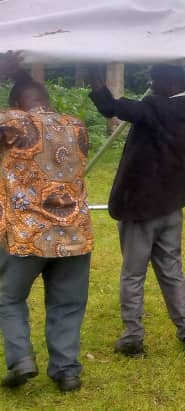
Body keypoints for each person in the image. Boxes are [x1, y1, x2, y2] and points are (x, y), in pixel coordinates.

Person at [89, 64, 185, 356]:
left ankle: (132, 337)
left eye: (154, 81)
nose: (151, 86)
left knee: (133, 274)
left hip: (141, 207)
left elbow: (110, 107)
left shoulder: (152, 108)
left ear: (166, 84)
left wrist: (96, 78)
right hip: (172, 204)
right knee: (172, 270)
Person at [0, 52, 92, 392]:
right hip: (74, 232)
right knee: (67, 303)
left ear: (15, 104)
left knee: (8, 298)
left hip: (26, 235)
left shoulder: (14, 123)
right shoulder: (77, 126)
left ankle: (22, 359)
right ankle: (67, 372)